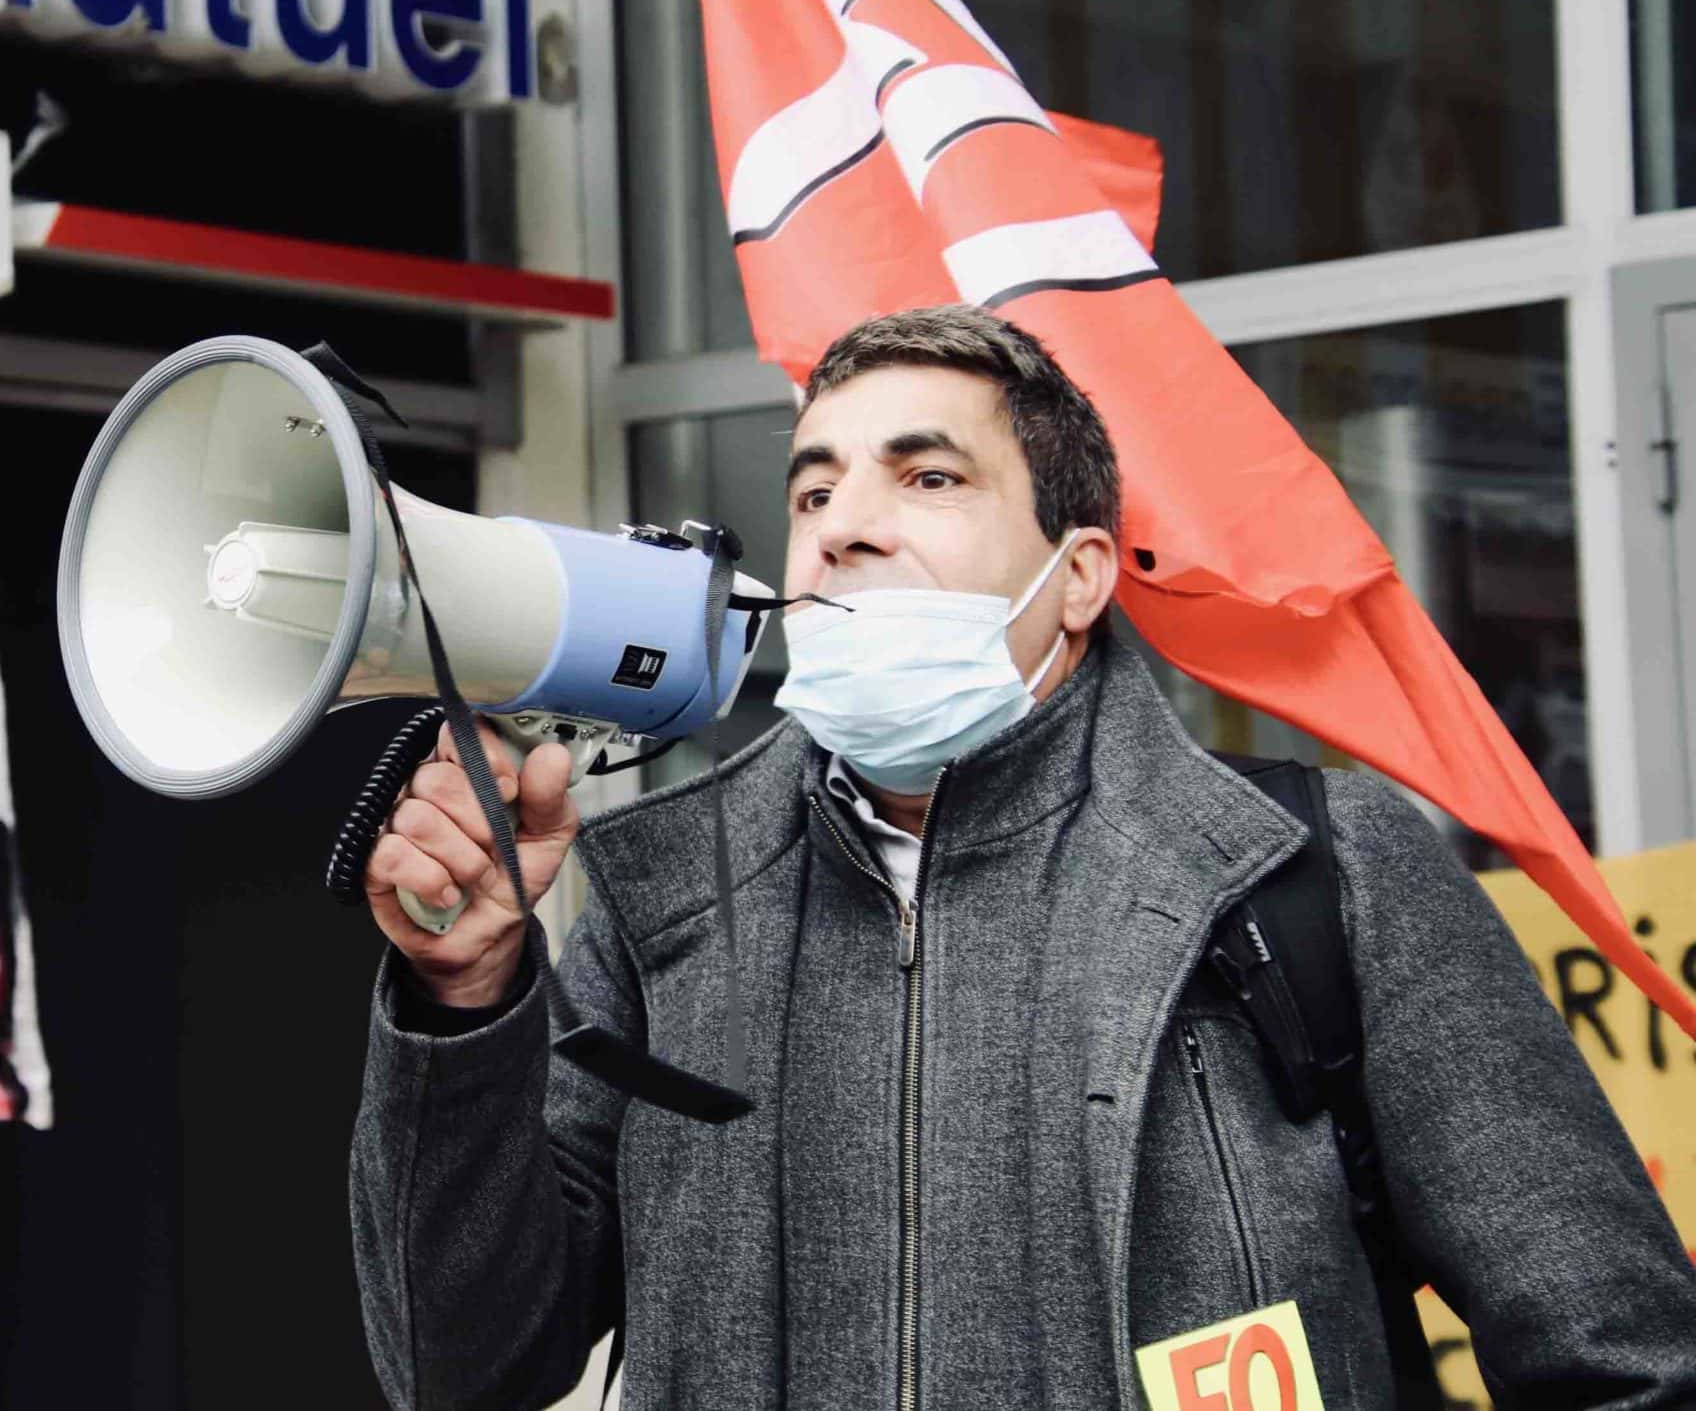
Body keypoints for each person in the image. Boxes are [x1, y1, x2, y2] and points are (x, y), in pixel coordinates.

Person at [348, 305, 1696, 1409]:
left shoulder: (1306, 873)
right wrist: (462, 1009)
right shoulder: (668, 906)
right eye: (813, 489)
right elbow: (463, 1367)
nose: (843, 525)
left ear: (1084, 573)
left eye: (927, 477)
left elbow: (1619, 1364)